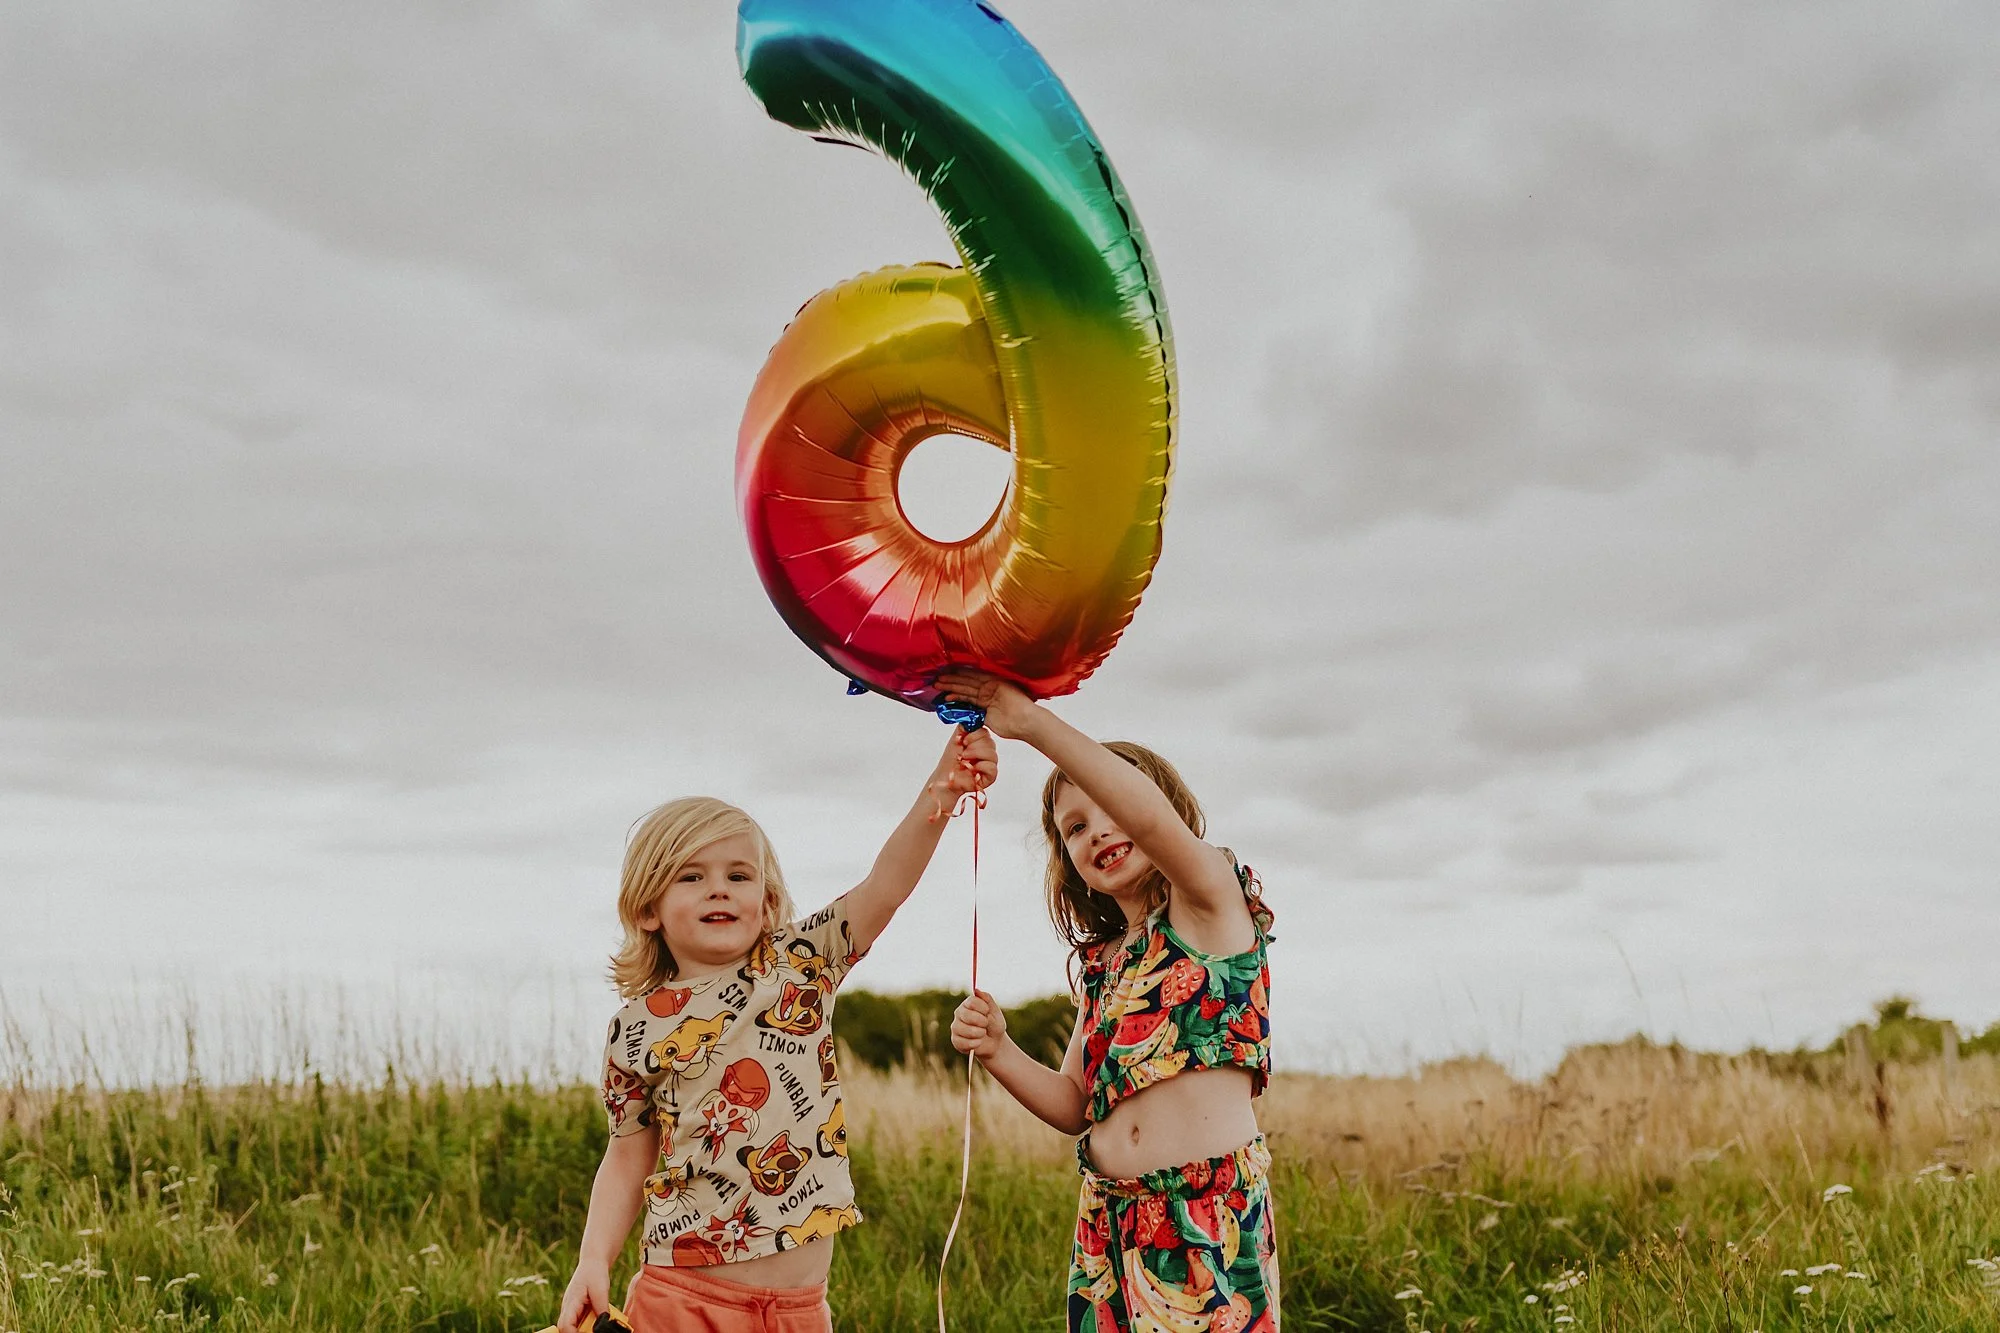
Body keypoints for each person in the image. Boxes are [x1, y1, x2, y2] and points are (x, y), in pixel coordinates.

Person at [555, 727, 997, 1333]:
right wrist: (593, 1258)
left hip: (799, 1309)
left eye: (739, 875)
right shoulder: (636, 1026)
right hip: (684, 1297)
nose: (719, 887)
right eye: (691, 876)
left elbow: (886, 886)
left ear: (766, 903)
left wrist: (945, 785)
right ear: (647, 909)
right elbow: (629, 1153)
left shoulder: (801, 964)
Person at [940, 672, 1278, 1332]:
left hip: (1203, 1219)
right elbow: (1075, 1103)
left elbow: (1150, 816)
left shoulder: (1212, 905)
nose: (1095, 831)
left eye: (1108, 804)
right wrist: (1000, 1049)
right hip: (1109, 1218)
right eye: (1074, 827)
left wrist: (1031, 724)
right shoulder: (1107, 967)